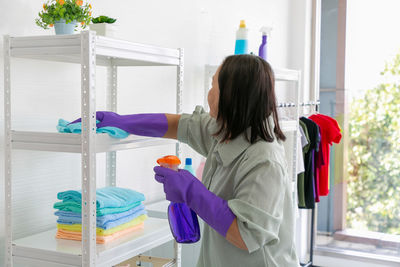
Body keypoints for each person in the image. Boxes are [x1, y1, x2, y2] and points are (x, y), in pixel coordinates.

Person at [72, 55, 299, 266]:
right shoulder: (229, 131)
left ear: (231, 95)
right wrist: (122, 122)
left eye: (213, 86)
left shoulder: (265, 161)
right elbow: (180, 125)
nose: (209, 93)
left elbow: (245, 234)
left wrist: (191, 191)